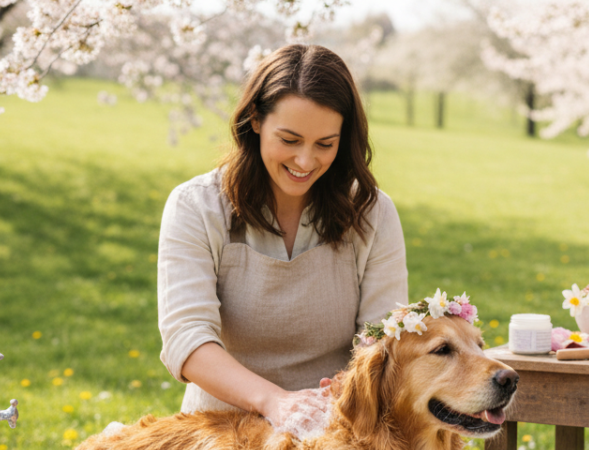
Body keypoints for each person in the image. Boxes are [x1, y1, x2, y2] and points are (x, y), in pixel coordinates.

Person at [157, 44, 408, 430]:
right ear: (255, 120)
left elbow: (384, 339)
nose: (305, 162)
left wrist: (338, 395)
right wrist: (275, 401)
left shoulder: (372, 213)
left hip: (330, 430)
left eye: (325, 144)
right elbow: (186, 339)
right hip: (215, 437)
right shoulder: (197, 207)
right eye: (289, 140)